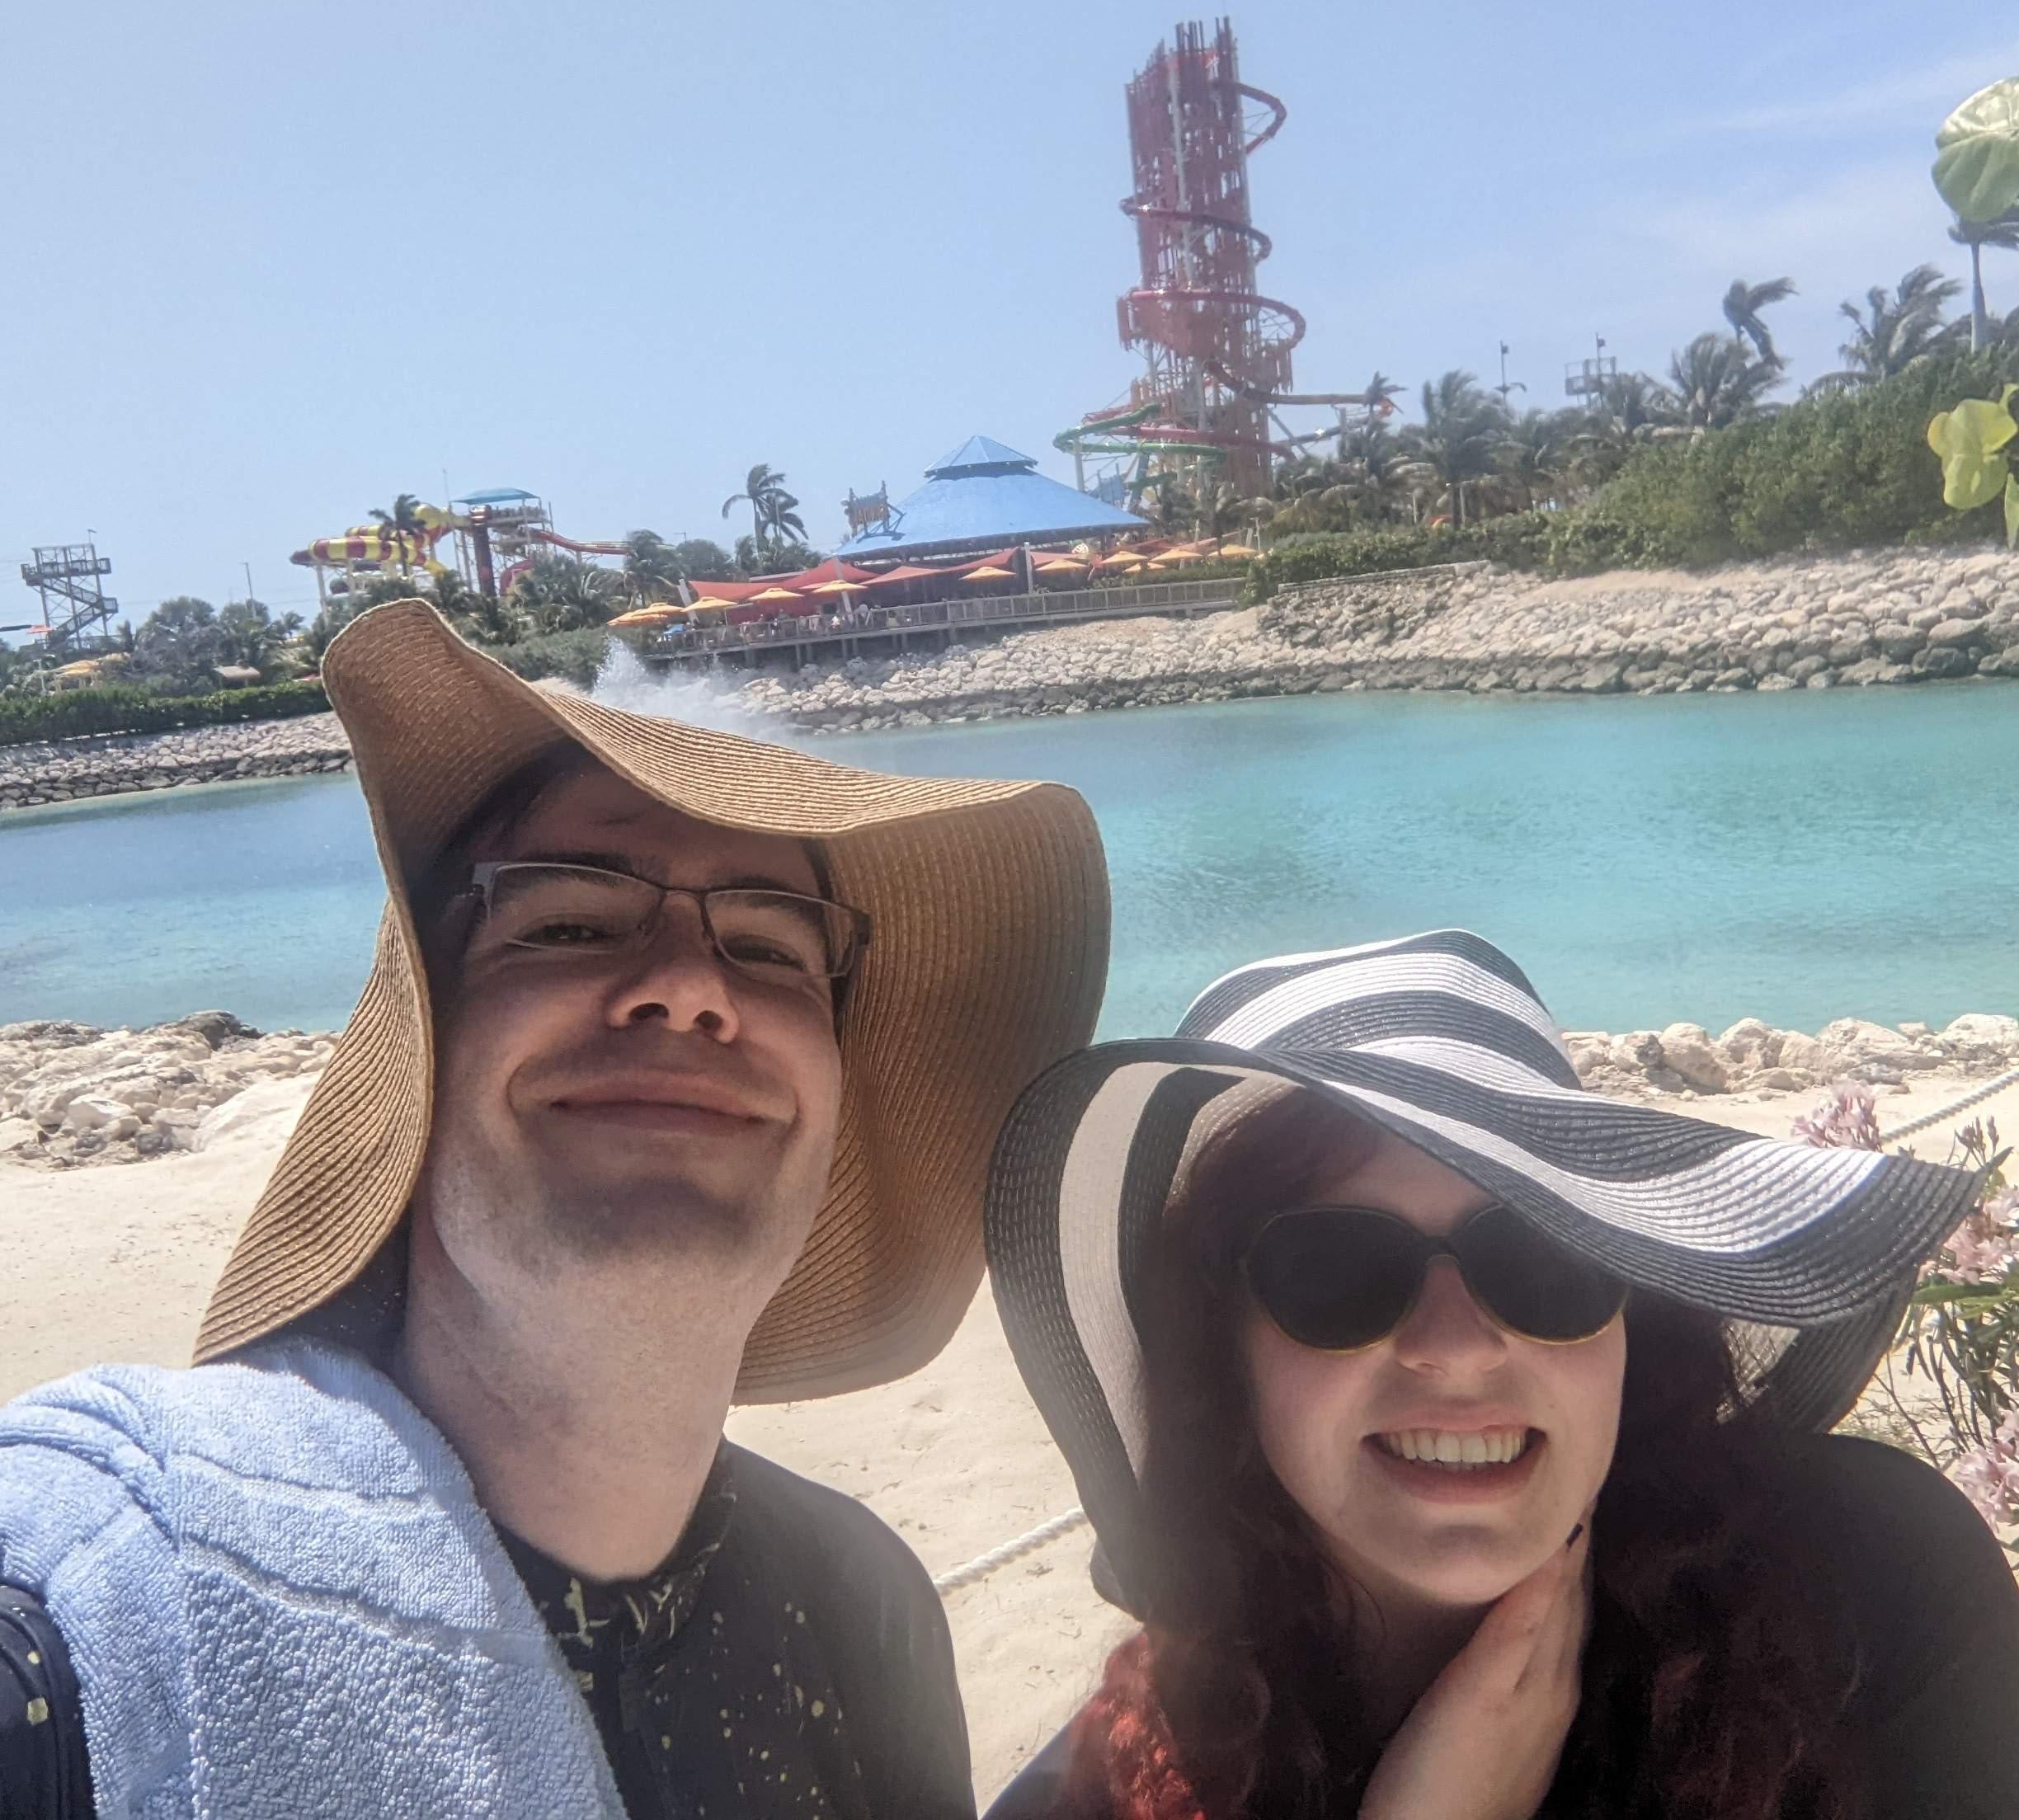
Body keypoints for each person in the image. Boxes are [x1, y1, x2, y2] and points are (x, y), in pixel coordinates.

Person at [0, 597, 1112, 1820]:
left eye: (770, 947)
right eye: (571, 921)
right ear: (425, 1062)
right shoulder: (86, 1618)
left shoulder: (867, 1609)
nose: (690, 988)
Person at [981, 930, 2019, 1820]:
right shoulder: (1108, 1795)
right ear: (1220, 1351)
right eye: (1337, 1270)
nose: (1460, 1344)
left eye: (1544, 1260)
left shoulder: (1870, 1587)